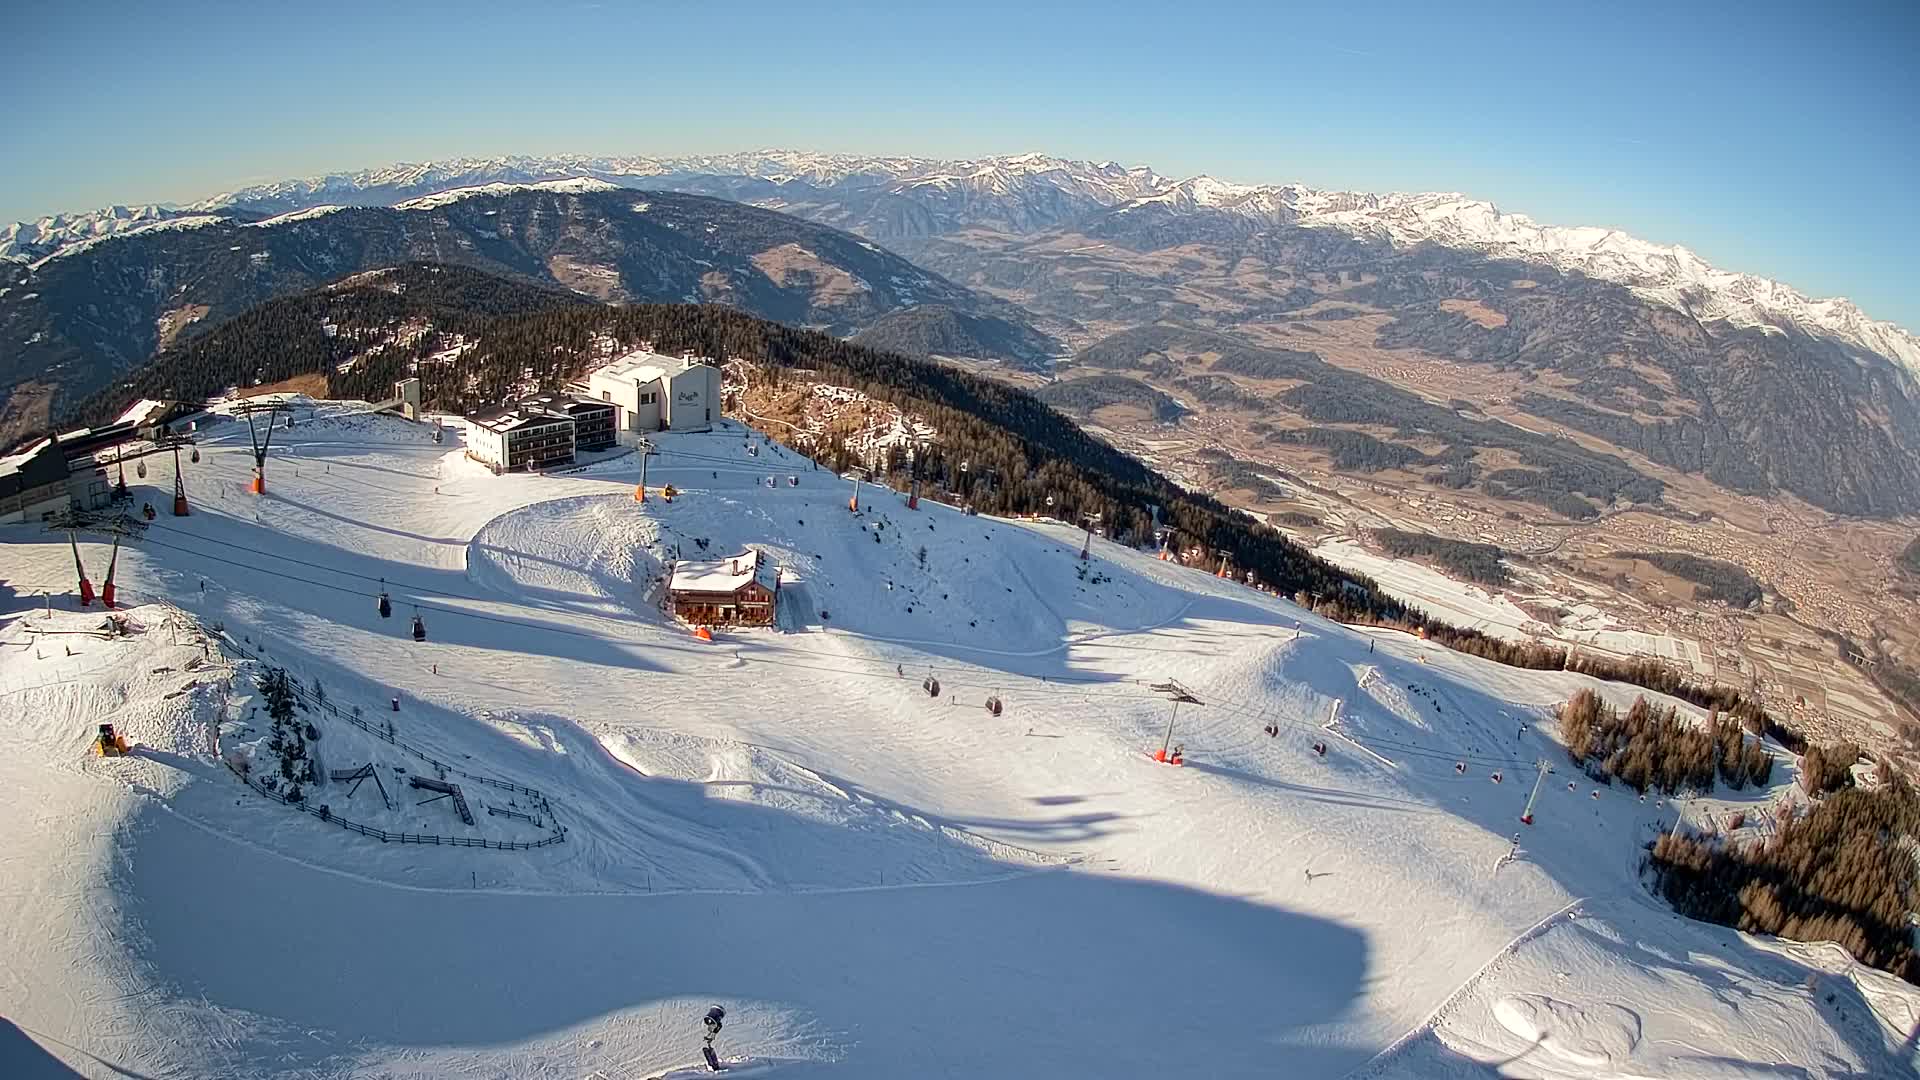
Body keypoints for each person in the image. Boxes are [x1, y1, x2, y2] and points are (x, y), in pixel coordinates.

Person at [702, 1004, 726, 1070]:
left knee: (708, 1049)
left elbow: (717, 1027)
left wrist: (712, 1036)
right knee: (707, 1049)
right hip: (708, 1038)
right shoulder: (711, 1022)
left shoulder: (712, 1022)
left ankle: (714, 1065)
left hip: (709, 1037)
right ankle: (713, 1065)